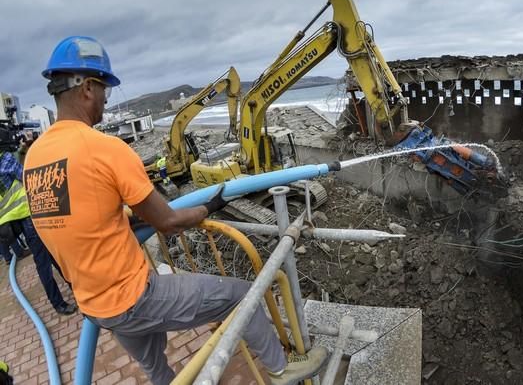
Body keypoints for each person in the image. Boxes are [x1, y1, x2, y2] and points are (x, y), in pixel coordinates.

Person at [24, 36, 328, 385]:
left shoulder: (35, 158)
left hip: (94, 306)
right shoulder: (102, 147)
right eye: (105, 89)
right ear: (88, 87)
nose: (106, 100)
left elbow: (69, 221)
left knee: (159, 372)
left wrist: (122, 218)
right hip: (133, 296)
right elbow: (168, 221)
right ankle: (281, 369)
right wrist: (206, 208)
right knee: (241, 295)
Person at [0, 150, 76, 315]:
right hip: (26, 216)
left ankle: (71, 289)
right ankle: (59, 303)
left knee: (50, 255)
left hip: (10, 224)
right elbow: (26, 177)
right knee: (45, 260)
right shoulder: (4, 159)